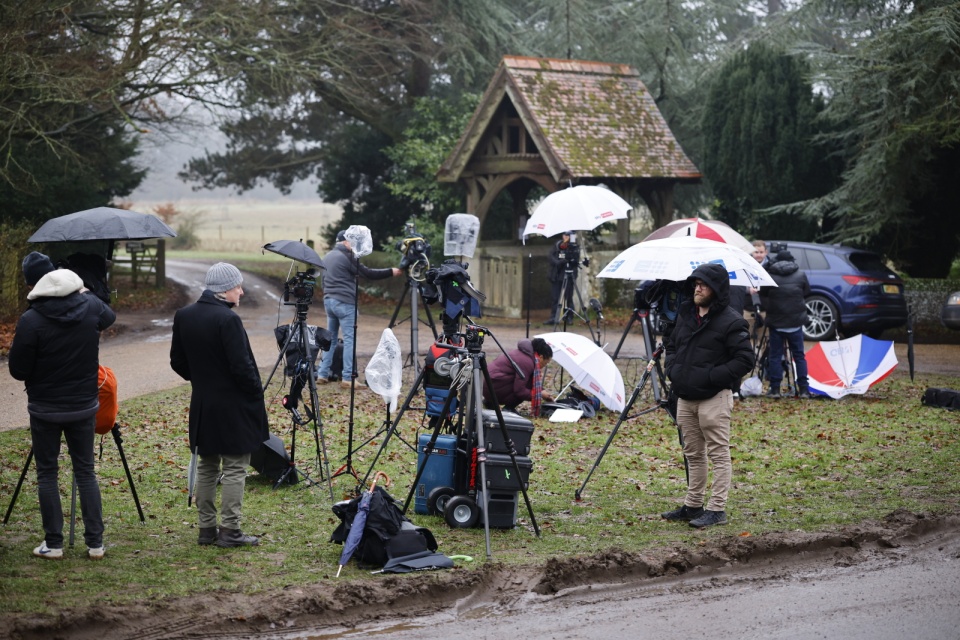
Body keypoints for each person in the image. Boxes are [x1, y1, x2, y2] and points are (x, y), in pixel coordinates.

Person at [9, 258, 116, 560]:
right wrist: (85, 292)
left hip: (45, 409)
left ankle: (53, 544)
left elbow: (18, 370)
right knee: (86, 472)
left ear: (32, 284)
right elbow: (109, 317)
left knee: (47, 474)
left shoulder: (31, 320)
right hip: (83, 405)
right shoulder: (89, 306)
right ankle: (96, 543)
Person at [170, 262, 268, 548]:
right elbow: (242, 366)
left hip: (203, 403)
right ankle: (230, 531)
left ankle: (206, 529)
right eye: (238, 286)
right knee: (236, 467)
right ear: (225, 290)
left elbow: (177, 361)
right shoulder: (228, 320)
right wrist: (254, 393)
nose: (242, 290)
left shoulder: (184, 315)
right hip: (233, 404)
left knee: (208, 465)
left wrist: (201, 380)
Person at [661, 263, 754, 529]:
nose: (697, 288)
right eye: (695, 284)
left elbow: (745, 359)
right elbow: (672, 344)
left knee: (718, 454)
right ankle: (693, 505)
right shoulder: (686, 313)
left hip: (714, 398)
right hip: (685, 397)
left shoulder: (732, 321)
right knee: (693, 454)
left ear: (716, 289)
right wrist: (673, 370)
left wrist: (712, 377)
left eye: (703, 284)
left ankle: (717, 509)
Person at [316, 230, 402, 389]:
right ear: (346, 242)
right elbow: (368, 273)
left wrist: (328, 296)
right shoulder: (348, 257)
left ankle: (322, 374)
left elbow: (323, 281)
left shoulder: (327, 256)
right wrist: (391, 271)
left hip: (329, 300)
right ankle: (348, 378)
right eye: (353, 242)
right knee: (349, 340)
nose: (355, 246)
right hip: (345, 302)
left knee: (331, 340)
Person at [759, 250, 812, 399]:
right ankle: (803, 389)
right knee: (799, 356)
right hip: (795, 322)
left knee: (775, 356)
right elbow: (807, 292)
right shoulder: (800, 275)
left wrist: (769, 308)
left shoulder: (770, 275)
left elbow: (763, 294)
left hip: (776, 322)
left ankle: (775, 389)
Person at [482, 338, 555, 415]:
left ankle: (490, 403)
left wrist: (541, 390)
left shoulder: (525, 354)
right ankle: (508, 408)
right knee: (524, 387)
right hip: (494, 388)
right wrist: (539, 394)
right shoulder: (527, 362)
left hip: (489, 386)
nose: (544, 366)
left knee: (525, 381)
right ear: (541, 357)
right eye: (546, 363)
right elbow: (520, 391)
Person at [546, 232, 577, 325]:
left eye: (569, 235)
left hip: (569, 275)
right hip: (557, 275)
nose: (566, 237)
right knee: (555, 297)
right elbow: (551, 257)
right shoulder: (558, 245)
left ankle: (569, 317)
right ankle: (553, 317)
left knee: (568, 298)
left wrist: (567, 259)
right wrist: (559, 262)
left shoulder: (574, 247)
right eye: (565, 235)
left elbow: (575, 260)